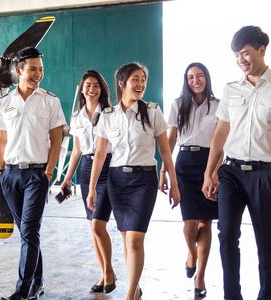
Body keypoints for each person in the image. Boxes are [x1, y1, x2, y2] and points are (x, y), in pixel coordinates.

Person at [202, 26, 271, 300]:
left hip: (265, 175)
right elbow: (221, 133)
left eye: (245, 53)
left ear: (261, 51)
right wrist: (209, 172)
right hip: (231, 173)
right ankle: (231, 296)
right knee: (226, 237)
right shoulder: (231, 90)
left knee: (266, 241)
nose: (241, 60)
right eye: (237, 55)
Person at [87, 62, 181, 300]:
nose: (140, 84)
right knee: (126, 239)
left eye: (143, 79)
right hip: (117, 181)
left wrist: (174, 183)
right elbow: (99, 155)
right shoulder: (107, 116)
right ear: (122, 84)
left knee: (136, 239)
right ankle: (136, 289)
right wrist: (91, 189)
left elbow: (165, 152)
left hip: (144, 181)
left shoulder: (152, 111)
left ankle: (129, 295)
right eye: (135, 80)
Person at [0, 47, 66, 300]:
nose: (38, 74)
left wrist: (48, 172)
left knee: (30, 231)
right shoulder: (4, 104)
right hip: (10, 175)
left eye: (41, 70)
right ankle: (38, 282)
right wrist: (1, 169)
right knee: (27, 234)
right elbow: (1, 139)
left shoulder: (50, 101)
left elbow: (56, 141)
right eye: (33, 69)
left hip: (37, 175)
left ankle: (22, 291)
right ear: (19, 70)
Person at [159, 62, 219, 298]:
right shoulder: (177, 105)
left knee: (206, 222)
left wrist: (214, 170)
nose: (195, 80)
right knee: (190, 222)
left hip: (209, 162)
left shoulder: (218, 106)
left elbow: (219, 141)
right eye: (191, 77)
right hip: (184, 163)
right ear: (186, 80)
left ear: (207, 78)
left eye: (200, 75)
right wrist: (164, 170)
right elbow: (170, 139)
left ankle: (200, 277)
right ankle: (191, 254)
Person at [60, 70, 115, 293]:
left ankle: (109, 272)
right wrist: (66, 178)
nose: (92, 90)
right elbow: (77, 151)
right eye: (88, 86)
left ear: (102, 90)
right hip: (85, 169)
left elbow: (108, 148)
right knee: (92, 226)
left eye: (96, 86)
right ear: (82, 89)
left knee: (98, 224)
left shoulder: (110, 113)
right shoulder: (77, 117)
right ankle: (103, 274)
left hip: (108, 169)